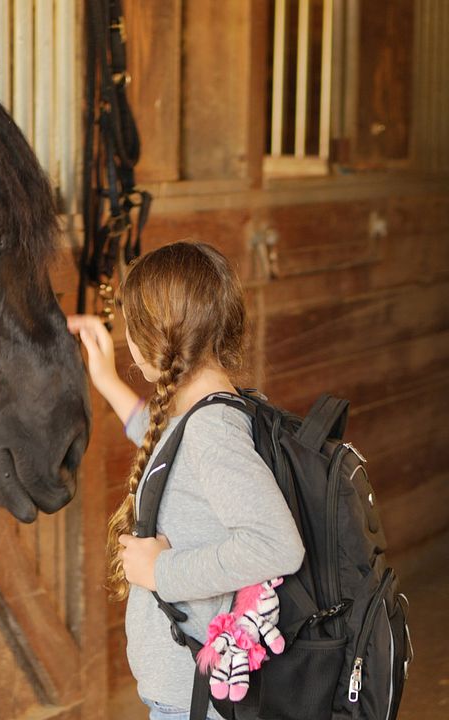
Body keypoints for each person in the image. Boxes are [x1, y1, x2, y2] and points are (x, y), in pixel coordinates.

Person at [67, 242, 305, 720]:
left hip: (197, 703)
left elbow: (278, 546)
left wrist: (162, 572)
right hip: (189, 698)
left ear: (156, 338)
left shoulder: (211, 431)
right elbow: (166, 451)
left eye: (131, 330)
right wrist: (107, 379)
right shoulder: (206, 413)